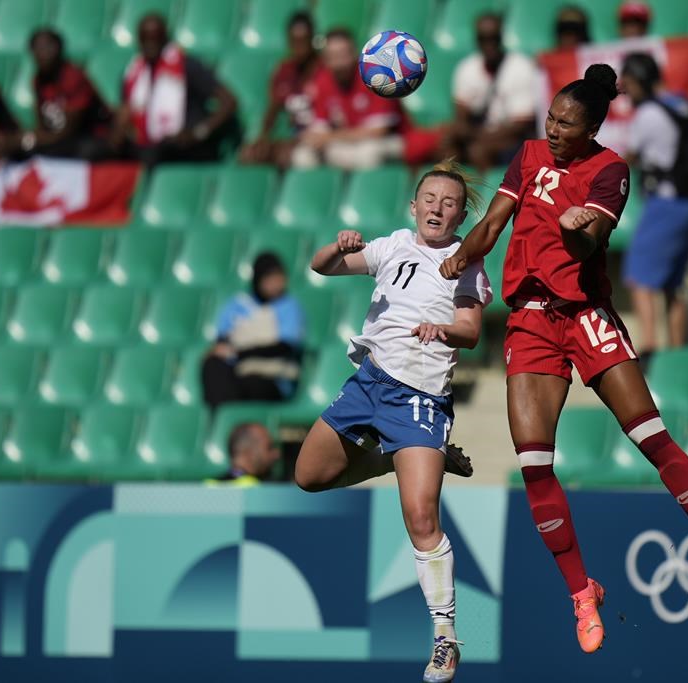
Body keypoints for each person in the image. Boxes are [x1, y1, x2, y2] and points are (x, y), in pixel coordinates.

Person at [439, 64, 688, 654]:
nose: (554, 129)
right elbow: (493, 224)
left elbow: (588, 244)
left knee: (651, 436)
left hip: (585, 315)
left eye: (566, 124)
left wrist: (577, 228)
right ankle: (583, 593)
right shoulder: (528, 155)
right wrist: (457, 259)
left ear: (592, 129)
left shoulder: (611, 172)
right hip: (530, 318)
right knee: (533, 463)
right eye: (551, 118)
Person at [294, 161, 492, 683]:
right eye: (429, 198)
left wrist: (444, 329)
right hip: (368, 385)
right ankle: (392, 462)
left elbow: (472, 331)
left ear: (460, 215)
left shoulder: (464, 262)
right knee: (308, 476)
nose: (437, 208)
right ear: (414, 205)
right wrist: (337, 247)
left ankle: (445, 637)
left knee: (421, 517)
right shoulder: (392, 245)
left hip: (421, 400)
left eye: (449, 203)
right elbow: (321, 267)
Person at [620, 52, 688, 359]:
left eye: (629, 83)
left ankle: (650, 346)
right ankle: (678, 351)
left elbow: (630, 156)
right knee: (673, 285)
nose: (627, 91)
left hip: (666, 203)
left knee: (639, 276)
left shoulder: (648, 115)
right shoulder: (682, 104)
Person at [111, 13, 239, 166]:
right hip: (148, 144)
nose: (150, 45)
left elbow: (229, 102)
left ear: (165, 38)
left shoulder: (188, 66)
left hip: (186, 146)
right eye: (145, 39)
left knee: (152, 155)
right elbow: (126, 112)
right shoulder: (132, 73)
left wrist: (198, 132)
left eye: (155, 38)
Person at [291, 28, 407, 170]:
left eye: (342, 55)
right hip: (346, 143)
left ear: (354, 54)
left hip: (388, 141)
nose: (338, 62)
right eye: (332, 56)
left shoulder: (377, 77)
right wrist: (312, 137)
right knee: (303, 155)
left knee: (369, 153)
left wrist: (329, 138)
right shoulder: (323, 81)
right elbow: (319, 128)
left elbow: (378, 131)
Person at [201, 253, 305, 411]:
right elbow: (222, 342)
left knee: (252, 383)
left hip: (272, 377)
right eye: (269, 277)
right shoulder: (238, 304)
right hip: (238, 371)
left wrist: (239, 353)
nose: (276, 283)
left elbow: (285, 347)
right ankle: (220, 422)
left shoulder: (289, 306)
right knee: (212, 366)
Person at [441, 13, 538, 171]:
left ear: (501, 38)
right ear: (477, 40)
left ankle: (488, 192)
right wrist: (463, 132)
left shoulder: (521, 67)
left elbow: (520, 126)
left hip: (513, 140)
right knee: (447, 145)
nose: (489, 44)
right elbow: (461, 115)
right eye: (483, 39)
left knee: (479, 151)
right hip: (479, 134)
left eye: (494, 38)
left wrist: (477, 136)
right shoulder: (467, 68)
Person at [2, 28, 112, 160]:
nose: (45, 52)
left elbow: (68, 130)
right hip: (56, 140)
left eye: (49, 46)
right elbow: (42, 125)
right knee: (15, 152)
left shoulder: (73, 77)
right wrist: (24, 140)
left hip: (86, 137)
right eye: (38, 48)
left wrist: (28, 139)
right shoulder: (38, 80)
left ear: (60, 49)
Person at [239, 11, 320, 167]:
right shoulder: (284, 71)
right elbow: (273, 108)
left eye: (303, 41)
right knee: (249, 153)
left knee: (289, 156)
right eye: (294, 42)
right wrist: (263, 138)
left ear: (312, 40)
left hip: (320, 137)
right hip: (295, 136)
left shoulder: (325, 70)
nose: (299, 48)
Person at [206, 422, 280, 487]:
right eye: (269, 447)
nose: (276, 454)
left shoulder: (206, 486)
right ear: (249, 453)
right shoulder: (261, 491)